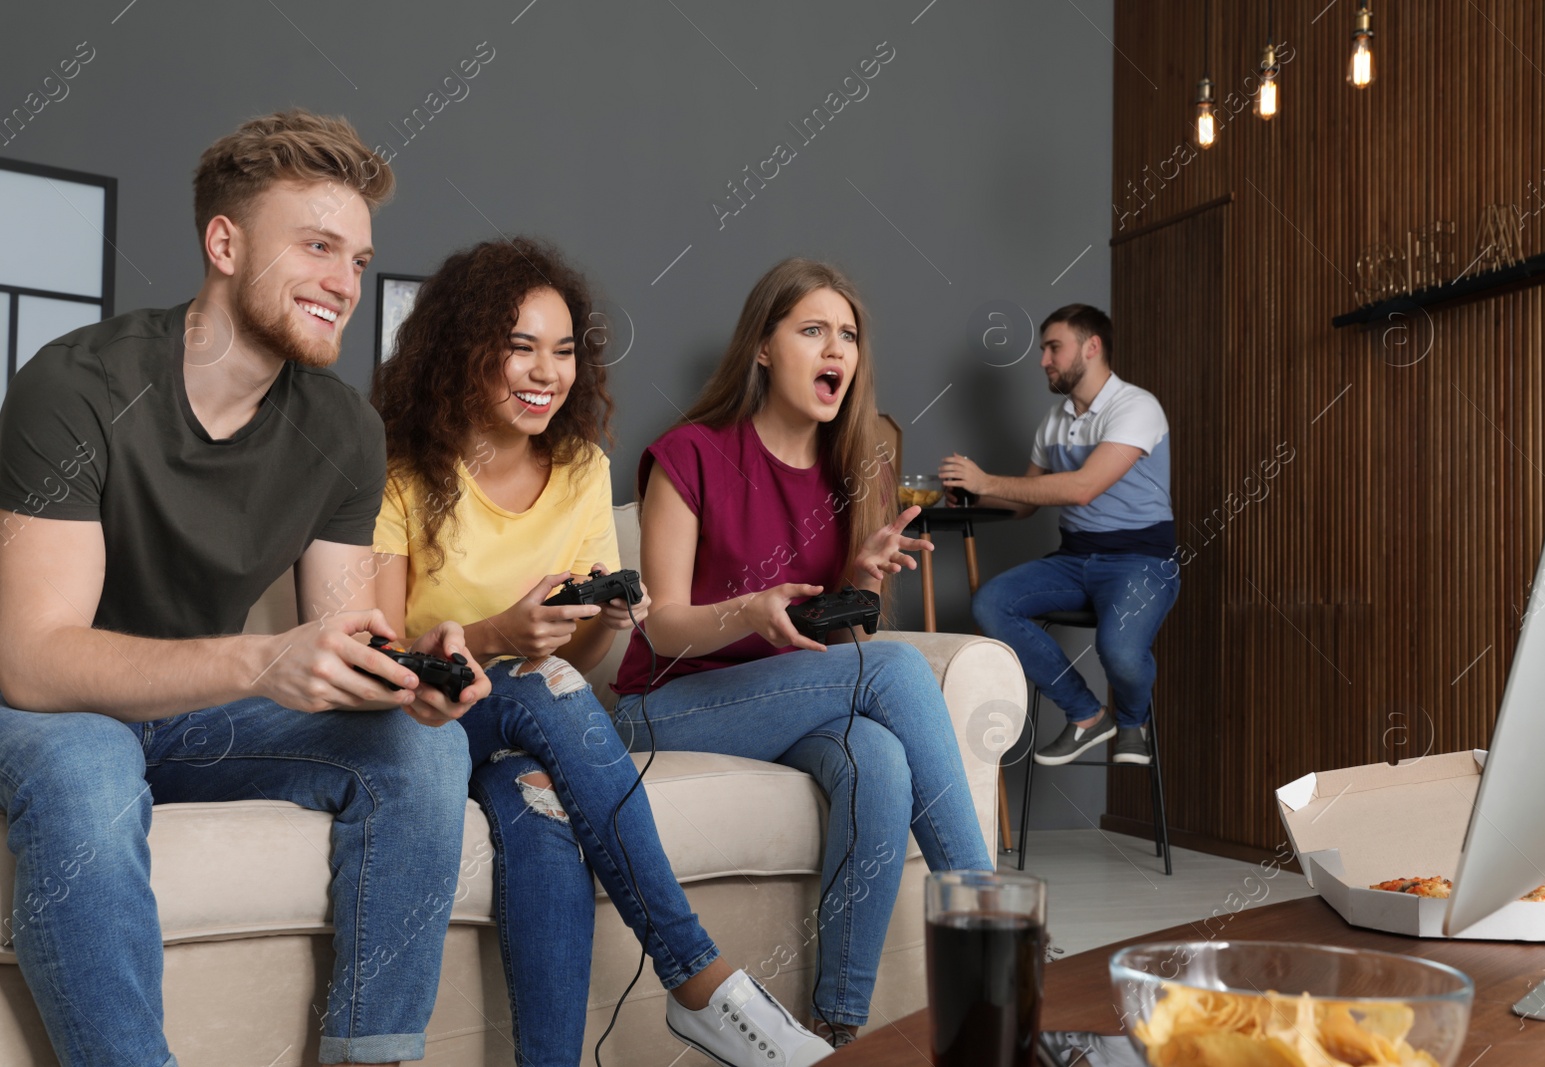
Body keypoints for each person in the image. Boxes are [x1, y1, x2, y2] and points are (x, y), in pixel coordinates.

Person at [0, 110, 484, 1067]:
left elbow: (341, 632)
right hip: (56, 713)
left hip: (195, 715)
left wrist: (405, 670)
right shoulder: (77, 385)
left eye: (358, 257)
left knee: (421, 752)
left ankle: (373, 1057)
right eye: (316, 246)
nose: (346, 283)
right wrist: (262, 659)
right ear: (224, 243)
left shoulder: (345, 428)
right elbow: (32, 660)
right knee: (90, 761)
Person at [370, 237, 833, 1067]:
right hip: (425, 721)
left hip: (523, 729)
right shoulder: (400, 472)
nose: (547, 372)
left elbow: (581, 666)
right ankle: (698, 978)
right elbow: (381, 659)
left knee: (541, 808)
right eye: (519, 347)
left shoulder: (580, 464)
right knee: (538, 686)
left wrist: (610, 621)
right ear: (460, 350)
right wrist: (500, 637)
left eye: (562, 351)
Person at [613, 257, 993, 1046]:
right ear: (762, 345)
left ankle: (837, 1025)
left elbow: (825, 647)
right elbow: (662, 627)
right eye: (812, 329)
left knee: (879, 758)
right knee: (893, 667)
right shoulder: (688, 454)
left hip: (779, 703)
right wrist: (747, 608)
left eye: (847, 335)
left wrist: (852, 581)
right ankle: (991, 931)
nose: (836, 350)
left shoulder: (848, 473)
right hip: (664, 707)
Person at [942, 303, 1178, 767]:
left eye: (1054, 347)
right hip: (1074, 560)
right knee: (991, 603)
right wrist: (973, 497)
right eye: (1043, 349)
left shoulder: (1136, 407)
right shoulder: (1054, 421)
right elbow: (1027, 501)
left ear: (1091, 347)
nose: (1043, 360)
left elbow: (1083, 488)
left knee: (1119, 651)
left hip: (1141, 560)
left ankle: (1133, 722)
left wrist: (986, 480)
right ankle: (1088, 715)